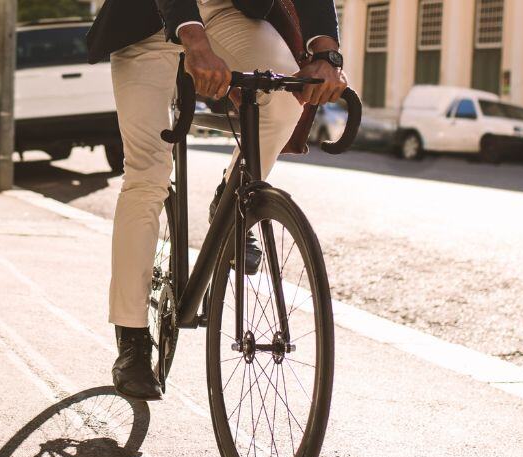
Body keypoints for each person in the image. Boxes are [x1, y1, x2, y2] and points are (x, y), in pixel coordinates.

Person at [87, 0, 348, 400]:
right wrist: (193, 42)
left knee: (281, 101)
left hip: (227, 11)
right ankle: (132, 340)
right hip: (148, 21)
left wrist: (327, 54)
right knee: (147, 175)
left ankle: (231, 200)